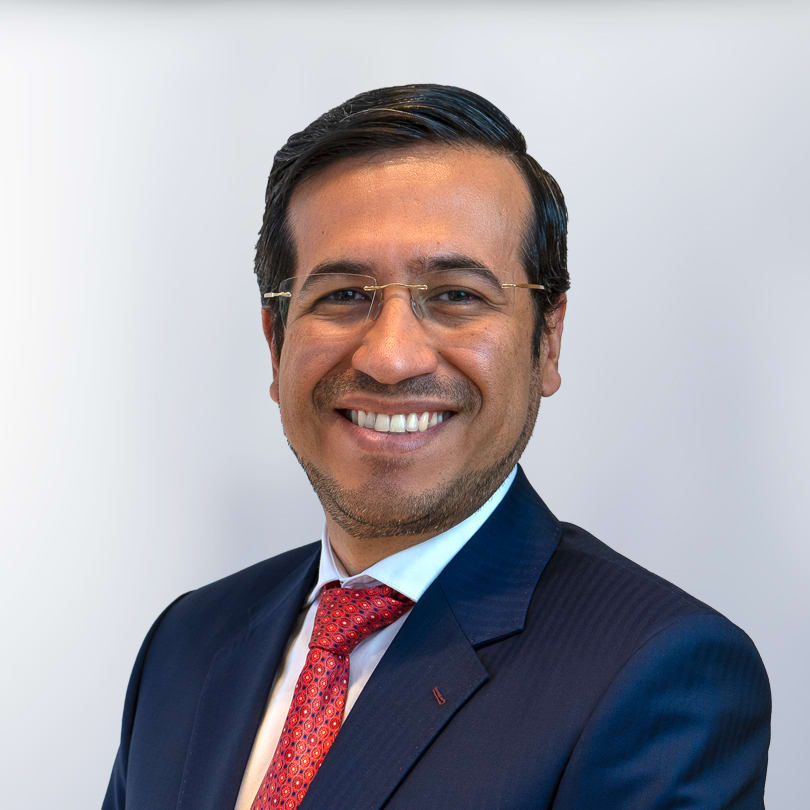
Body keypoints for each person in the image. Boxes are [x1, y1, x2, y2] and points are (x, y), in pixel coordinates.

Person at [102, 84, 771, 810]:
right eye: (343, 296)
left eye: (456, 295)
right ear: (275, 345)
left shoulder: (659, 675)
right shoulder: (186, 644)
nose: (391, 358)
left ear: (547, 342)